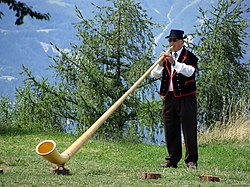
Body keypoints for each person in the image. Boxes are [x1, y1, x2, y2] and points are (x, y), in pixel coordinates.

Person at [151, 29, 198, 169]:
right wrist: (160, 64)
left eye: (175, 40)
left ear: (182, 41)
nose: (172, 43)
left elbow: (189, 72)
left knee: (189, 129)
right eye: (170, 40)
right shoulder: (166, 57)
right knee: (170, 128)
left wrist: (174, 63)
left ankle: (191, 161)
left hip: (186, 98)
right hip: (169, 97)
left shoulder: (190, 56)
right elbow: (155, 75)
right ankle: (172, 159)